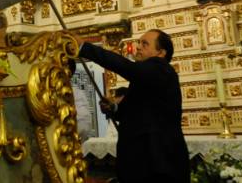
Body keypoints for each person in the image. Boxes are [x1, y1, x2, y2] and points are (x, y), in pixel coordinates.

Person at [77, 29, 190, 183]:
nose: (138, 47)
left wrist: (84, 47)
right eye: (139, 42)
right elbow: (136, 111)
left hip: (157, 163)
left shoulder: (161, 69)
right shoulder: (146, 77)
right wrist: (114, 108)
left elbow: (126, 67)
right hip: (142, 162)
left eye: (145, 44)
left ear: (161, 53)